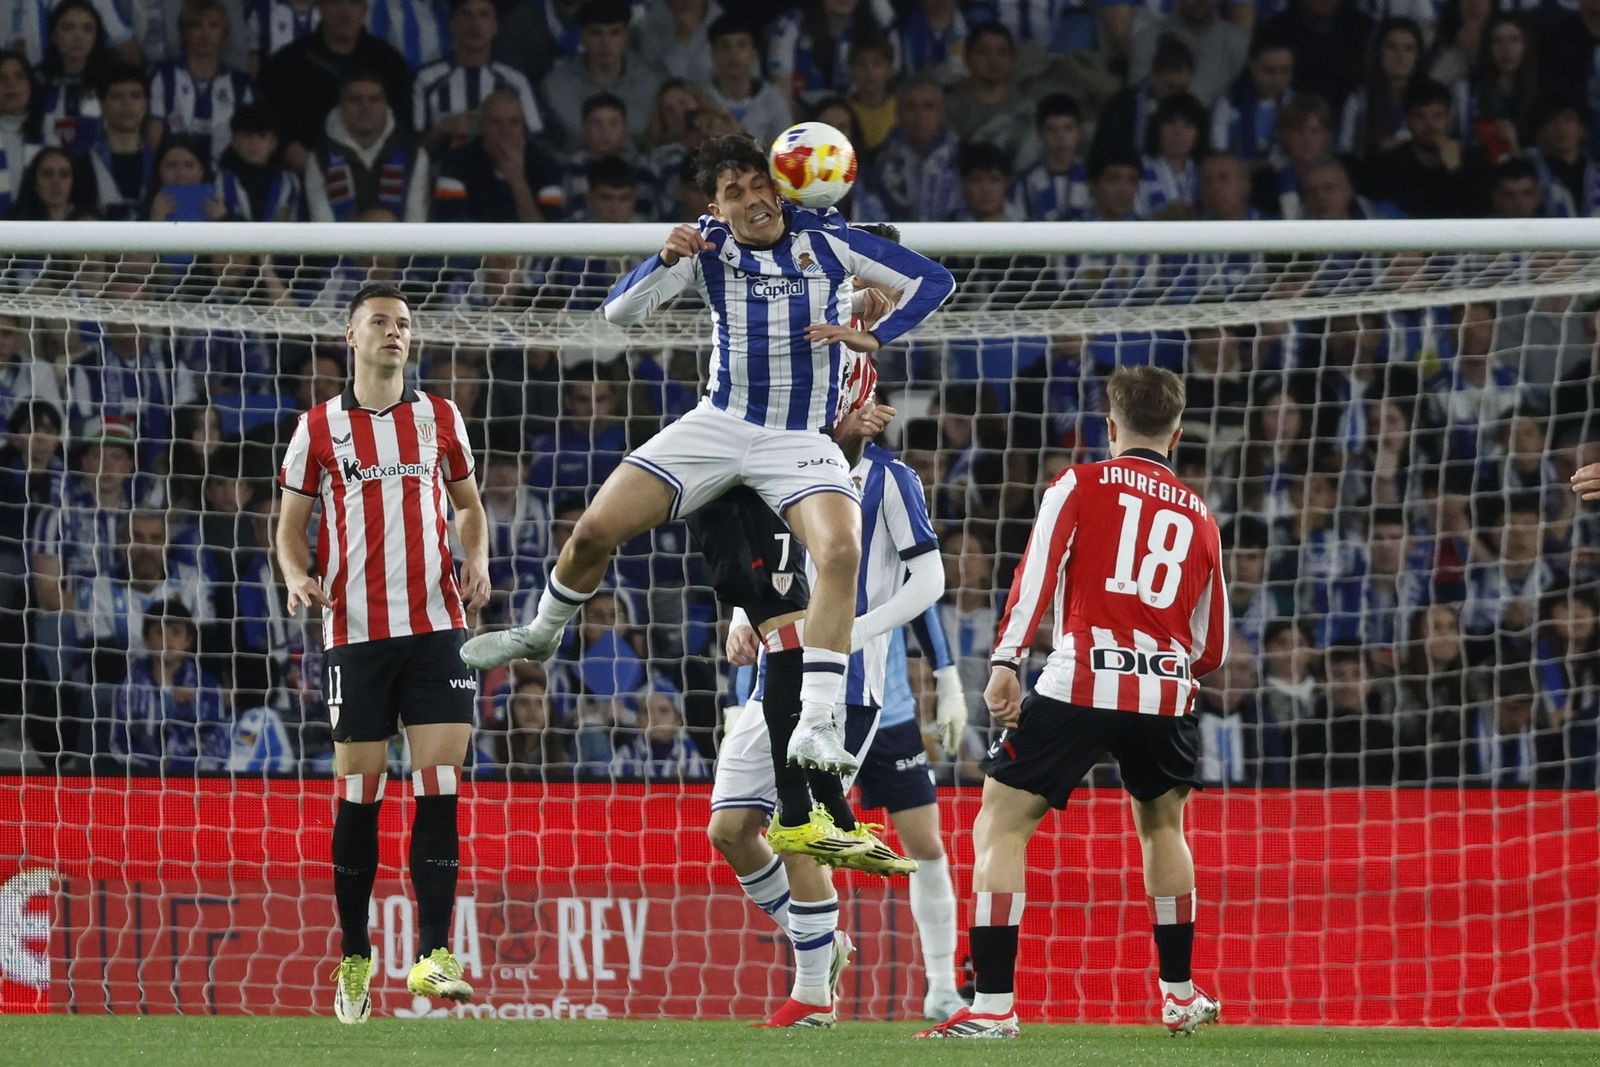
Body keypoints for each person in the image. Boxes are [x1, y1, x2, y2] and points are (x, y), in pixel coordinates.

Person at [461, 133, 955, 782]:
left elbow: (933, 279)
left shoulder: (827, 238)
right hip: (717, 426)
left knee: (841, 550)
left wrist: (874, 331)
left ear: (780, 187)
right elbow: (618, 316)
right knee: (591, 533)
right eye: (734, 192)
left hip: (800, 437)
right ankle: (542, 632)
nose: (753, 199)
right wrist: (662, 258)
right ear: (718, 208)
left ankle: (818, 718)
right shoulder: (707, 245)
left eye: (760, 185)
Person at [918, 366, 1228, 1039]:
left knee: (1000, 822)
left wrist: (1007, 660)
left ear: (1110, 427)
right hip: (1168, 689)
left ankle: (994, 1007)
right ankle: (1179, 995)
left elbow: (1036, 574)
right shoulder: (1201, 515)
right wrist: (1167, 667)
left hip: (1087, 673)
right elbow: (1212, 644)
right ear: (1176, 433)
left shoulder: (1080, 484)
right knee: (1163, 829)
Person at [275, 282, 491, 1024]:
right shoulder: (318, 428)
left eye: (403, 324)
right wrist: (298, 573)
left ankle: (434, 953)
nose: (394, 333)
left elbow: (469, 506)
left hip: (436, 626)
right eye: (380, 322)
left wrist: (479, 557)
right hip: (355, 635)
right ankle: (355, 954)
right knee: (360, 795)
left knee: (438, 783)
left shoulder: (439, 416)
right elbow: (288, 526)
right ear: (351, 334)